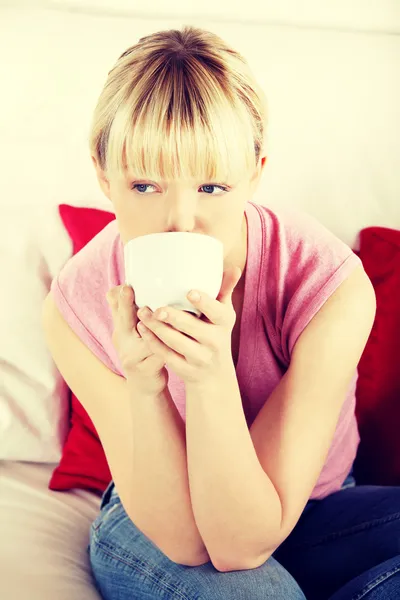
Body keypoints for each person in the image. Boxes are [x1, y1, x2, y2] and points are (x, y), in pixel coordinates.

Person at [42, 25, 400, 600]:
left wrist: (211, 379)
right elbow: (200, 547)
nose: (180, 221)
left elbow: (250, 535)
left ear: (255, 174)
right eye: (144, 185)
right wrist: (148, 386)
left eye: (211, 186)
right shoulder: (75, 308)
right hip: (154, 520)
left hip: (316, 506)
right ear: (103, 177)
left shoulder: (331, 286)